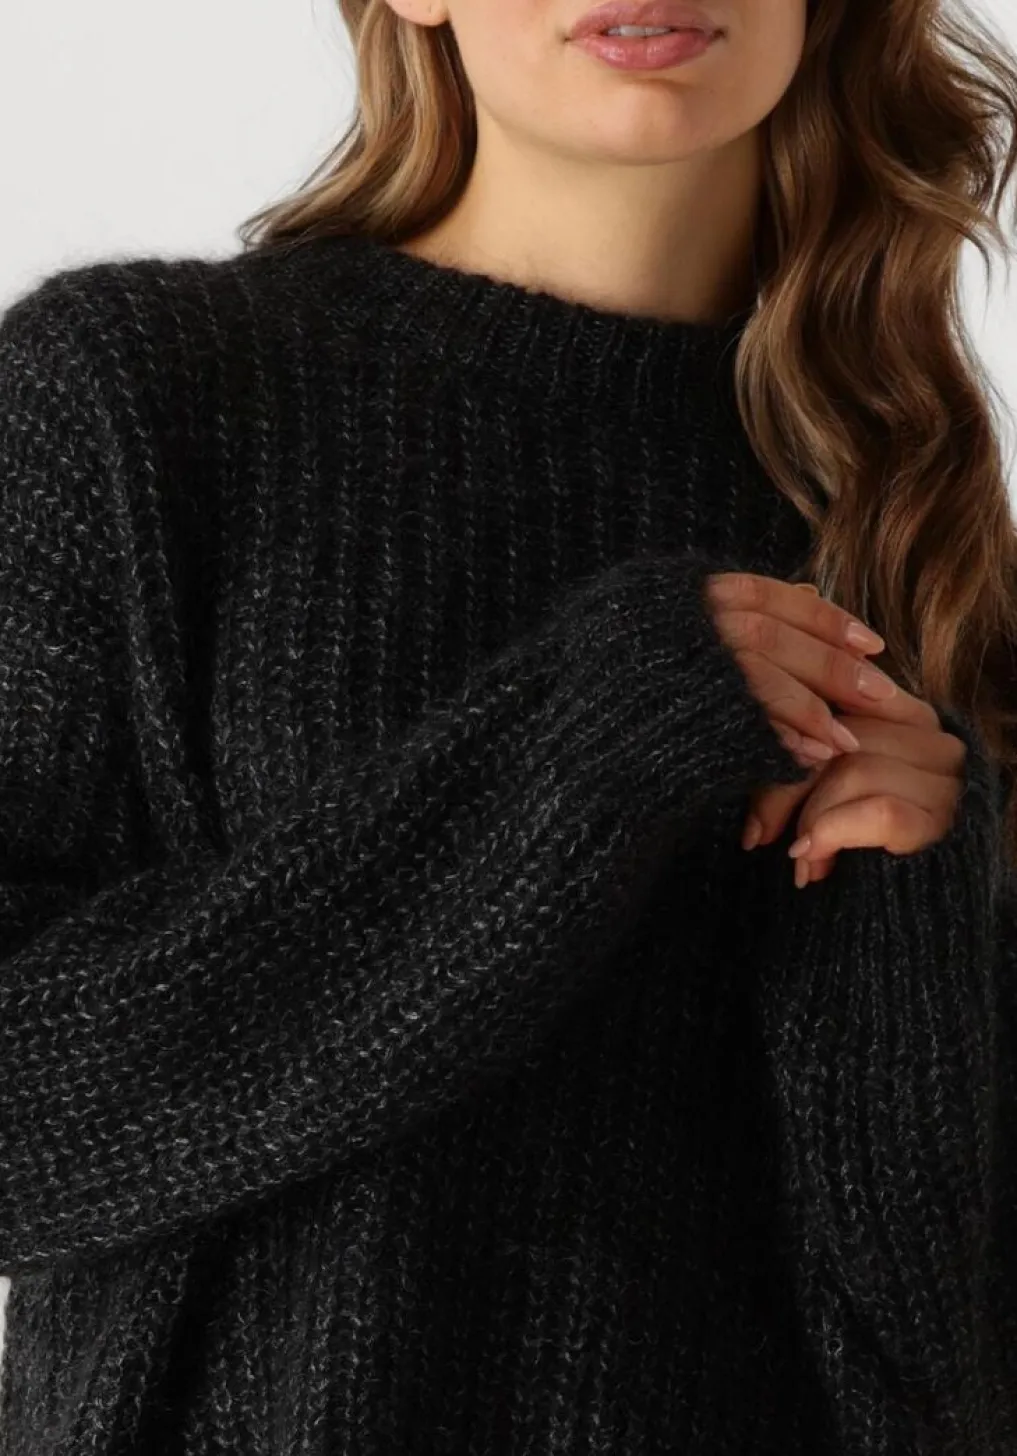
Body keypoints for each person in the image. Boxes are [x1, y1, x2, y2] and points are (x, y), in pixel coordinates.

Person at [1, 0, 1016, 1451]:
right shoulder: (138, 399)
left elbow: (947, 1386)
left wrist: (913, 922)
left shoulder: (921, 542)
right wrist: (571, 755)